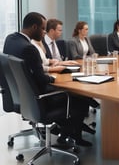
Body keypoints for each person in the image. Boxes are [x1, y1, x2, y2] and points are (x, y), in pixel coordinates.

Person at [3, 12, 92, 146]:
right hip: (37, 99)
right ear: (34, 27)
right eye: (43, 28)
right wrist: (57, 79)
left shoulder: (11, 39)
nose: (44, 32)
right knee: (81, 98)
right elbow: (41, 79)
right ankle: (72, 135)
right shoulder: (29, 48)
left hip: (17, 95)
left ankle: (65, 131)